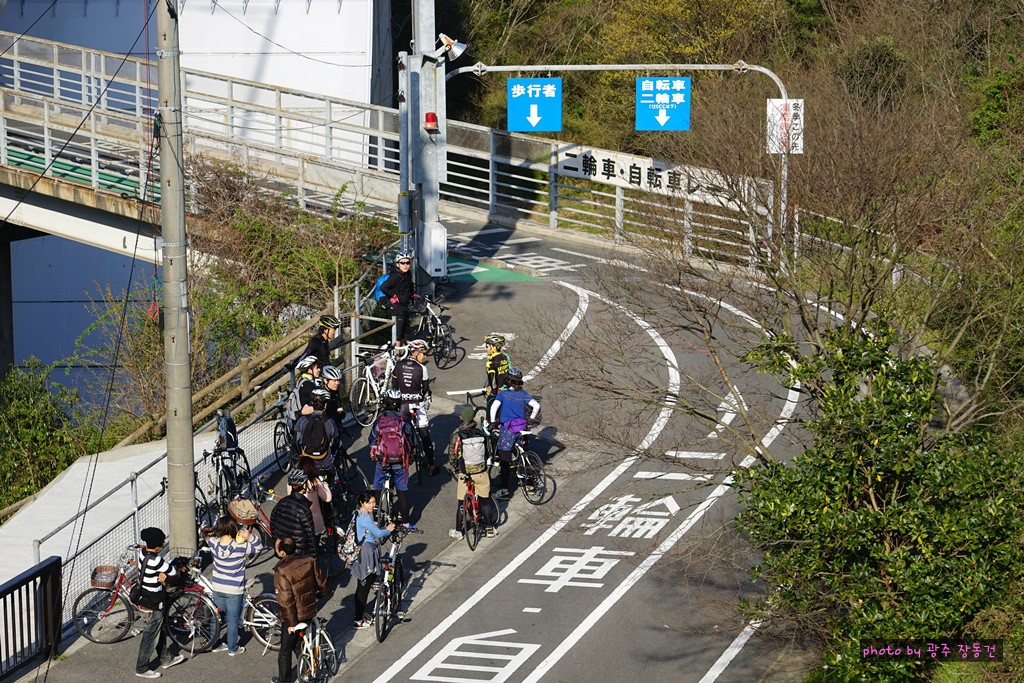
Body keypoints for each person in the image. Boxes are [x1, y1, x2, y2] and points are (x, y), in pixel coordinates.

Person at [202, 516, 263, 656]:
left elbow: (203, 533)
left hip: (218, 586)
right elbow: (258, 547)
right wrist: (249, 537)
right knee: (232, 620)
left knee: (217, 617)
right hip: (234, 589)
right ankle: (232, 648)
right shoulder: (240, 547)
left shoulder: (214, 543)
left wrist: (210, 531)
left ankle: (215, 643)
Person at [273, 536, 327, 683]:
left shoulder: (282, 570)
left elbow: (286, 601)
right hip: (309, 609)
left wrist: (291, 623)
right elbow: (321, 580)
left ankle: (284, 679)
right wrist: (324, 592)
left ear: (282, 553)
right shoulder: (309, 560)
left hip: (294, 615)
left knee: (285, 651)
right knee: (299, 645)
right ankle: (307, 672)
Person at [133, 527, 185, 679]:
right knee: (150, 635)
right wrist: (166, 572)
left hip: (145, 596)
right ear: (157, 545)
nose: (163, 543)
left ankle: (166, 659)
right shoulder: (156, 560)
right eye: (162, 541)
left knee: (158, 629)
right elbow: (173, 572)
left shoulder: (142, 554)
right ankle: (141, 668)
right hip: (154, 600)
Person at [488, 368, 541, 500]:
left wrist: (493, 423)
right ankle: (530, 485)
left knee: (505, 460)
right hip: (522, 428)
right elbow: (536, 406)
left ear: (507, 380)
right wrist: (531, 418)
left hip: (508, 430)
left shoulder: (503, 394)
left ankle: (505, 490)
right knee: (524, 454)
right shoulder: (523, 394)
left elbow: (494, 408)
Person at [368, 389, 415, 526]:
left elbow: (372, 439)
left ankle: (377, 520)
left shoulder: (380, 420)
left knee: (377, 487)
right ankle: (405, 523)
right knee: (402, 492)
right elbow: (412, 441)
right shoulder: (403, 421)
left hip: (383, 460)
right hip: (400, 461)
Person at [393, 338, 440, 477]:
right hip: (417, 403)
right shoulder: (422, 368)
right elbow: (425, 388)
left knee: (400, 431)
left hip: (402, 403)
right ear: (416, 351)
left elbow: (394, 381)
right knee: (424, 433)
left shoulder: (399, 364)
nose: (425, 356)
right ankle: (431, 465)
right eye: (423, 353)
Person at [447, 407, 496, 538]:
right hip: (481, 471)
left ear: (461, 418)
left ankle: (458, 531)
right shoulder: (481, 434)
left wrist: (457, 469)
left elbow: (452, 455)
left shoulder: (457, 436)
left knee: (461, 504)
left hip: (466, 473)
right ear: (473, 418)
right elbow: (489, 451)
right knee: (485, 501)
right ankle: (490, 528)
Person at [349, 492, 395, 629]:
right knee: (364, 588)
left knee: (361, 586)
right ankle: (358, 620)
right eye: (369, 503)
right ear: (362, 503)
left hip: (360, 551)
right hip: (367, 552)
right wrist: (388, 529)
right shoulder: (365, 518)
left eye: (374, 502)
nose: (373, 505)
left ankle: (359, 615)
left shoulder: (357, 514)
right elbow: (379, 534)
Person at [292, 388, 338, 480]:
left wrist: (301, 454)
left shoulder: (302, 421)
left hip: (307, 464)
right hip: (325, 463)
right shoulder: (330, 423)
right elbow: (334, 444)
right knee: (329, 485)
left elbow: (295, 442)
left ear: (312, 404)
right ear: (325, 405)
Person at [270, 469, 317, 557]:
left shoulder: (281, 502)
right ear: (304, 485)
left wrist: (278, 546)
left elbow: (272, 525)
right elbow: (310, 537)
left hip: (282, 551)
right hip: (298, 555)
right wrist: (313, 557)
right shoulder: (304, 510)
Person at [379, 253, 415, 343]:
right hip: (396, 308)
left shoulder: (407, 274)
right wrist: (393, 295)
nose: (405, 265)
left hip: (404, 306)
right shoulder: (395, 276)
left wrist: (413, 294)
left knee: (404, 333)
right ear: (397, 264)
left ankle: (401, 354)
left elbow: (409, 286)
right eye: (402, 263)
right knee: (398, 335)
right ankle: (397, 355)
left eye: (408, 263)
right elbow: (383, 287)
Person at [296, 456, 332, 535]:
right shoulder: (314, 482)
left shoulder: (292, 484)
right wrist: (325, 485)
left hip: (299, 524)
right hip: (315, 523)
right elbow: (327, 498)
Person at [286, 355, 321, 422]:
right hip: (306, 421)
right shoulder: (307, 384)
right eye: (317, 368)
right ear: (309, 370)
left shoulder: (303, 380)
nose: (319, 370)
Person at [483, 333, 512, 398]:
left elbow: (492, 379)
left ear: (494, 347)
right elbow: (510, 370)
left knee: (491, 407)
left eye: (487, 346)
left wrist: (492, 392)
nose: (486, 349)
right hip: (507, 388)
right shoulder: (505, 356)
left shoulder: (491, 362)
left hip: (498, 392)